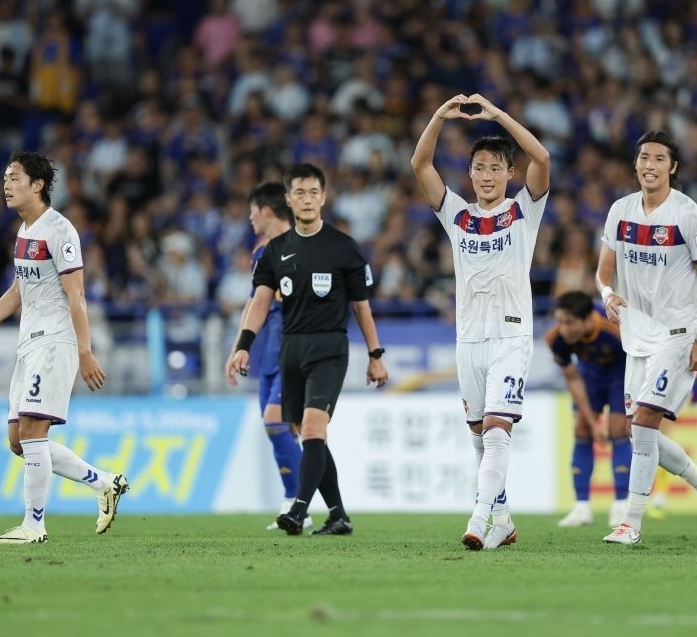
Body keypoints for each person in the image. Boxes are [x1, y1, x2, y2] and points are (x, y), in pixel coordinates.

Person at [0, 151, 127, 544]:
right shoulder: (25, 232)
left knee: (32, 431)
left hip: (56, 342)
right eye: (6, 178)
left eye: (14, 178)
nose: (6, 185)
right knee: (19, 441)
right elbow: (17, 291)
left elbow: (76, 295)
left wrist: (84, 351)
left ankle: (34, 525)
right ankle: (105, 482)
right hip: (28, 343)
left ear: (38, 185)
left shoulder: (60, 231)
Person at [411, 93, 550, 550]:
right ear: (469, 174)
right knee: (478, 433)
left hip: (512, 335)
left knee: (496, 429)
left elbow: (542, 156)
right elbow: (420, 164)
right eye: (479, 168)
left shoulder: (523, 210)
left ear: (509, 174)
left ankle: (478, 518)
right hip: (468, 338)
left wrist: (498, 116)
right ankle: (503, 519)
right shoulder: (458, 216)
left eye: (495, 168)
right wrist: (437, 116)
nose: (487, 176)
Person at [230, 163, 388, 536]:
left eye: (313, 192)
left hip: (329, 348)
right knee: (306, 433)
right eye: (298, 193)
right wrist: (243, 346)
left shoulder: (343, 247)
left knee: (314, 427)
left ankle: (298, 510)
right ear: (288, 199)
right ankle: (338, 515)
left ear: (323, 197)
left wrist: (376, 355)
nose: (306, 199)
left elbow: (361, 306)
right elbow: (259, 304)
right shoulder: (274, 252)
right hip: (291, 349)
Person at [597, 131, 697, 547]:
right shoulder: (620, 210)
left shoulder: (687, 214)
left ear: (673, 167)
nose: (648, 165)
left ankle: (630, 523)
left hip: (677, 332)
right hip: (636, 335)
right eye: (643, 158)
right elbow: (603, 271)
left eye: (658, 158)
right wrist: (607, 294)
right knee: (641, 434)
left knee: (644, 421)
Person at [223, 181, 311, 532]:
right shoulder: (262, 253)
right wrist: (237, 348)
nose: (249, 217)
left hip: (296, 351)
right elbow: (254, 303)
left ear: (267, 211)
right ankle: (299, 504)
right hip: (269, 353)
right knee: (282, 428)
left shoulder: (306, 247)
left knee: (278, 423)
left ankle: (300, 503)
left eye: (252, 211)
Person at [544, 290, 631, 528]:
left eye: (569, 323)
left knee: (618, 430)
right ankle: (581, 508)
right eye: (560, 321)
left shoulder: (614, 328)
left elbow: (640, 358)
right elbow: (572, 380)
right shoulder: (555, 338)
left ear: (587, 319)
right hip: (590, 376)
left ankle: (621, 505)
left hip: (621, 375)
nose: (563, 329)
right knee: (581, 429)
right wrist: (592, 423)